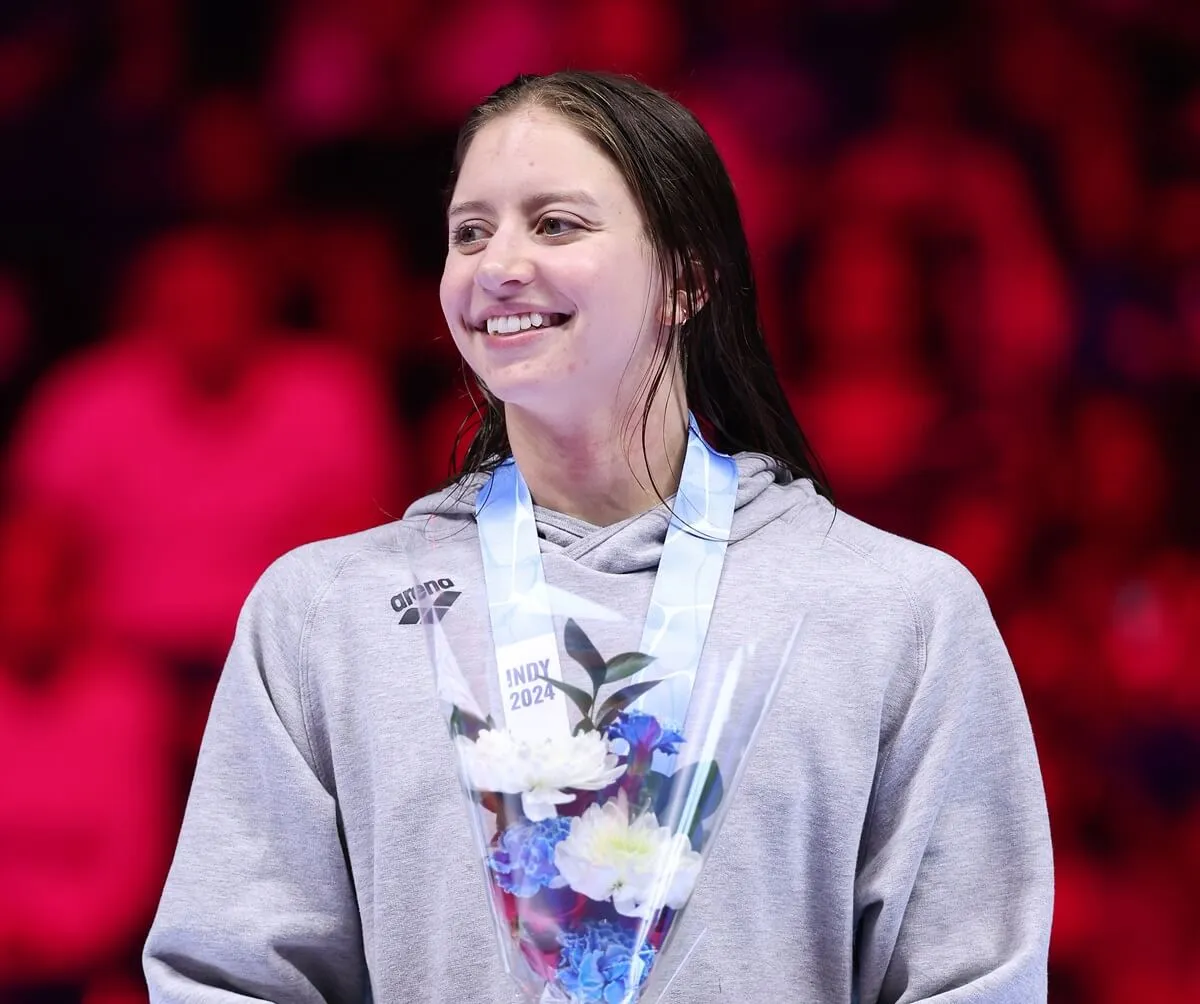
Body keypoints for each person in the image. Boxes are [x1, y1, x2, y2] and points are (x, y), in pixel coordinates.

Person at [143, 71, 1053, 1002]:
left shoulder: (894, 611)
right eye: (469, 232)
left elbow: (973, 975)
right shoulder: (327, 615)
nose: (499, 264)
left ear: (686, 277)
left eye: (555, 224)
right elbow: (228, 977)